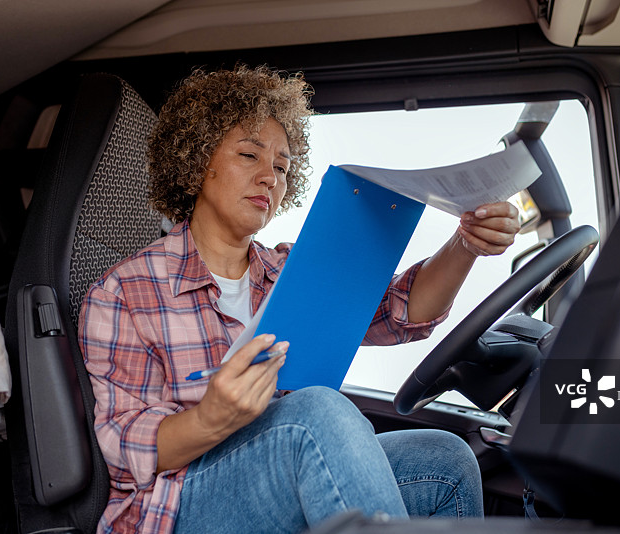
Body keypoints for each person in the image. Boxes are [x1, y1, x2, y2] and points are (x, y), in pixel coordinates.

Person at [79, 65, 521, 534]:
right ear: (196, 159)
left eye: (282, 167)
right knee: (314, 414)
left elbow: (401, 309)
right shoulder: (125, 291)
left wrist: (467, 244)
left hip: (279, 472)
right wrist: (211, 418)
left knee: (445, 458)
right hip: (177, 506)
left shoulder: (288, 270)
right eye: (249, 154)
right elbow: (122, 447)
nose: (269, 177)